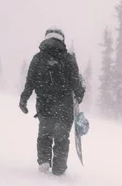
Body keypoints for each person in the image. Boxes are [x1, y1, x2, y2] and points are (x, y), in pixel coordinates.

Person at [19, 27, 85, 176]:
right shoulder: (68, 59)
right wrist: (80, 95)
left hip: (45, 106)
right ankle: (59, 170)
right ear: (62, 39)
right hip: (64, 108)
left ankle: (43, 163)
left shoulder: (38, 58)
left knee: (45, 134)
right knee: (61, 138)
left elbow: (29, 82)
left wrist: (23, 100)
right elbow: (76, 85)